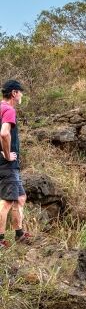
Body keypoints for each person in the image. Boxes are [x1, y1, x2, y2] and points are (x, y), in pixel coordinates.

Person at [0, 80, 30, 248]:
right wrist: (6, 154)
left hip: (6, 164)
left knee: (20, 197)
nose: (21, 95)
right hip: (7, 164)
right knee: (6, 201)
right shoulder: (9, 109)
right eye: (20, 92)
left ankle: (19, 234)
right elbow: (4, 134)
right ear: (14, 93)